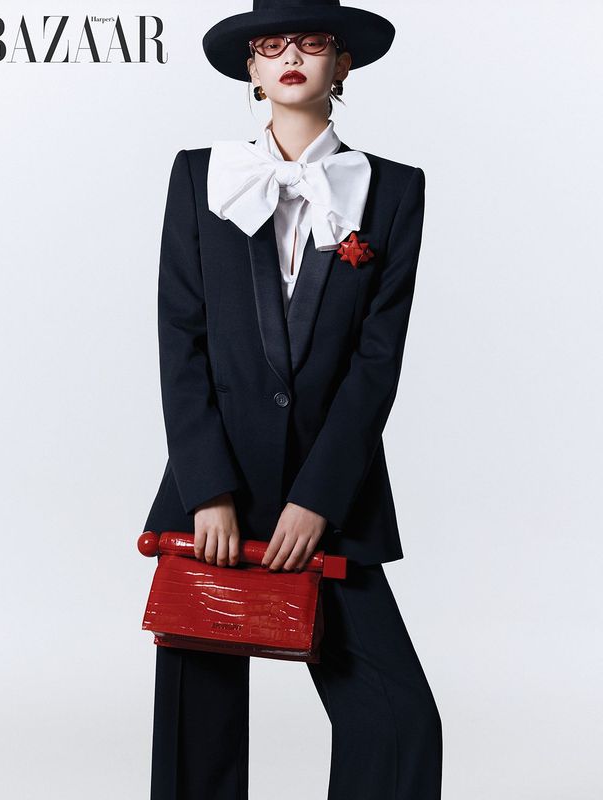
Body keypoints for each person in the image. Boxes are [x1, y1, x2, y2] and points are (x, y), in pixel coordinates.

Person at [144, 1, 443, 797]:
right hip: (214, 501)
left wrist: (318, 499)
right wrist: (207, 491)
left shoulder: (393, 191)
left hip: (329, 501)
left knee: (399, 722)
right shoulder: (198, 176)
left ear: (342, 64)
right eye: (270, 44)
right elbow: (181, 342)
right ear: (250, 68)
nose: (290, 56)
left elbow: (377, 363)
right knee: (198, 737)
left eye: (312, 42)